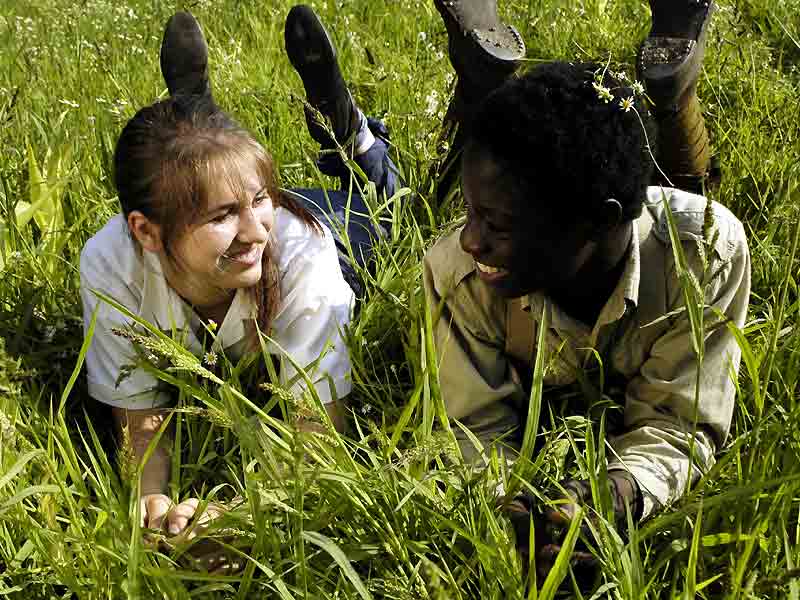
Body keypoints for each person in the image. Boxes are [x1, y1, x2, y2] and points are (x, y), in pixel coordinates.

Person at [423, 0, 750, 577]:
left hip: (646, 224)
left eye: (496, 224)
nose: (472, 241)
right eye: (470, 214)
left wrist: (616, 496)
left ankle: (675, 86)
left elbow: (680, 421)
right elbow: (471, 429)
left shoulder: (706, 256)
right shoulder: (459, 272)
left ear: (594, 222)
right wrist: (517, 512)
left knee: (688, 181)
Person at [80, 6, 398, 537]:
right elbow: (140, 422)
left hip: (335, 230)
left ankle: (349, 132)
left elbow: (318, 432)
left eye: (256, 201)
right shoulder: (111, 263)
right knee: (213, 171)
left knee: (387, 204)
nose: (256, 231)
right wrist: (153, 505)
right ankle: (203, 136)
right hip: (239, 210)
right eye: (222, 215)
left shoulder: (298, 249)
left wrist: (244, 515)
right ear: (145, 231)